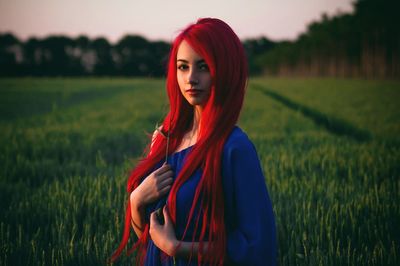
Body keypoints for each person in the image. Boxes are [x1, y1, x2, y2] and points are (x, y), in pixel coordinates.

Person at [111, 18, 276, 265]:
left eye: (203, 67)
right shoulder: (166, 139)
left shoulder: (234, 148)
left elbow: (257, 248)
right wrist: (136, 202)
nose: (191, 78)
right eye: (183, 67)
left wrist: (177, 247)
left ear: (226, 70)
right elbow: (149, 241)